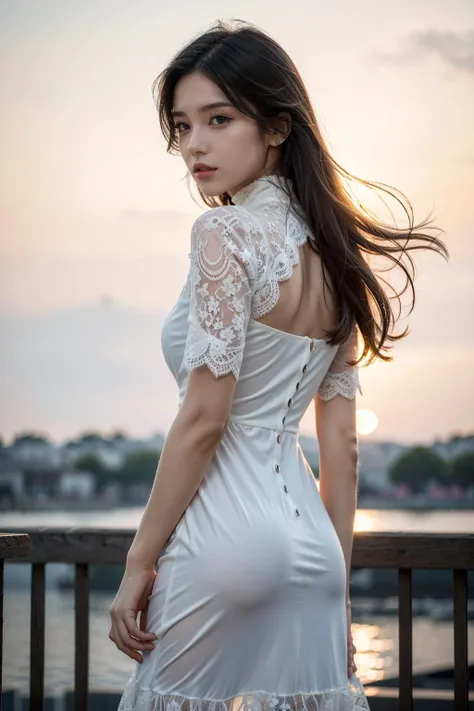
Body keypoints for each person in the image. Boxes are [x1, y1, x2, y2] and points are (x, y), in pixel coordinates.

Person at [109, 20, 447, 711]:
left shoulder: (224, 233)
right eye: (181, 125)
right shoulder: (342, 257)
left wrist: (138, 562)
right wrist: (337, 587)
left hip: (223, 539)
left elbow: (205, 421)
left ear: (278, 127)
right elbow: (342, 449)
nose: (193, 144)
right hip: (315, 558)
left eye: (218, 118)